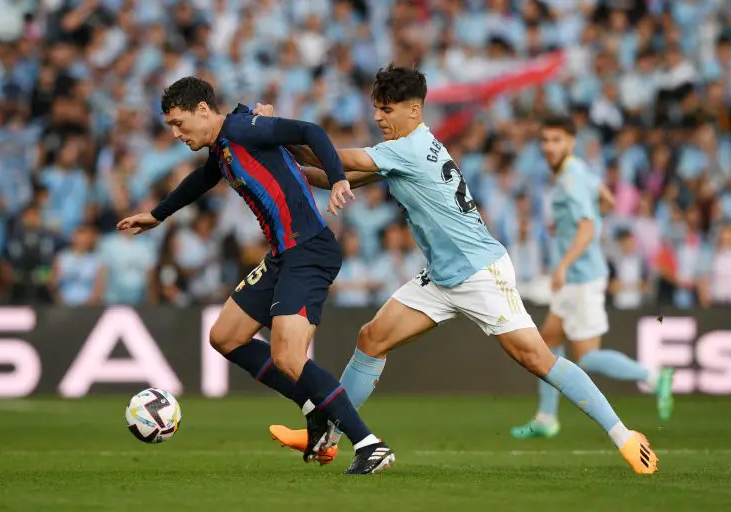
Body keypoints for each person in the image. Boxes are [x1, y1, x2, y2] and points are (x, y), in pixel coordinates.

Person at [262, 65, 658, 474]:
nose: (379, 117)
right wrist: (278, 163)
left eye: (387, 109)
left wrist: (271, 131)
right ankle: (329, 437)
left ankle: (626, 437)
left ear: (414, 111)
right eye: (376, 109)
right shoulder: (406, 148)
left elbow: (328, 157)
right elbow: (331, 174)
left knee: (537, 358)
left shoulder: (409, 148)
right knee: (372, 337)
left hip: (479, 271)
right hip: (442, 274)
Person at [117, 77, 393, 475]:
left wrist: (337, 178)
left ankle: (369, 444)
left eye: (179, 123)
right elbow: (203, 178)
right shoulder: (223, 145)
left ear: (202, 111)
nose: (176, 134)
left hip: (309, 250)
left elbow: (308, 131)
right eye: (170, 127)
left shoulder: (243, 130)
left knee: (287, 356)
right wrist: (158, 214)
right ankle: (313, 406)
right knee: (225, 336)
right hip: (283, 255)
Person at [510, 117, 674, 441]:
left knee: (585, 357)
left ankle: (655, 377)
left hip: (581, 278)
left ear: (571, 142)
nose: (548, 146)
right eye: (545, 139)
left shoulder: (570, 178)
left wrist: (563, 264)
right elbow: (605, 200)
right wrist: (586, 215)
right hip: (578, 277)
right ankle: (546, 417)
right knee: (548, 342)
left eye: (556, 139)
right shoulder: (579, 170)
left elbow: (587, 227)